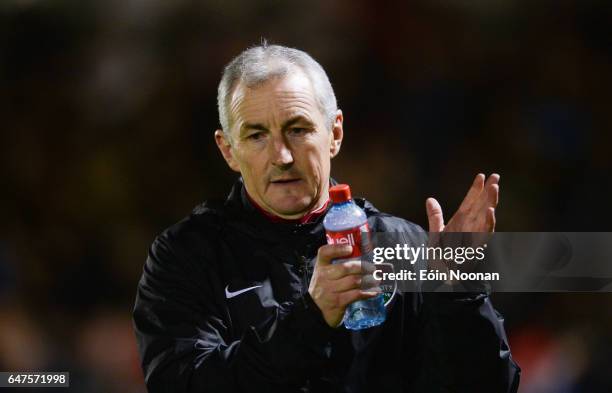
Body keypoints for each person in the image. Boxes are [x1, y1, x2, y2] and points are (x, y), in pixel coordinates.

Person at [132, 43, 521, 393]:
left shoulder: (406, 247)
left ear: (334, 133)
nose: (282, 156)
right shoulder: (187, 256)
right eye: (256, 136)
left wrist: (461, 295)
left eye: (297, 129)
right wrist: (311, 318)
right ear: (228, 149)